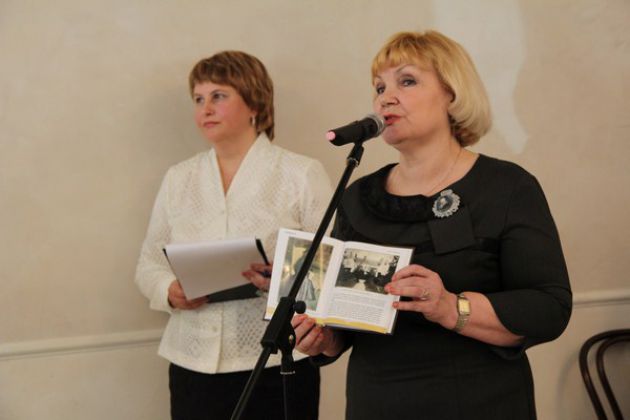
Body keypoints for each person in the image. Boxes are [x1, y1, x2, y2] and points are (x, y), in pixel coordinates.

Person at [292, 30, 572, 420]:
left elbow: (548, 308)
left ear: (452, 95)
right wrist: (324, 338)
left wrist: (450, 307)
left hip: (478, 404)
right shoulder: (357, 197)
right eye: (379, 87)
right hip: (376, 404)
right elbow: (346, 322)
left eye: (406, 81)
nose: (385, 98)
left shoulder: (507, 187)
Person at [135, 51, 332, 420]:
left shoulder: (300, 174)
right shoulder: (179, 178)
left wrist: (279, 279)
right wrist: (169, 291)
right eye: (198, 99)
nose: (206, 109)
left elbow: (329, 266)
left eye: (219, 96)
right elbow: (148, 264)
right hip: (191, 364)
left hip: (277, 362)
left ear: (254, 102)